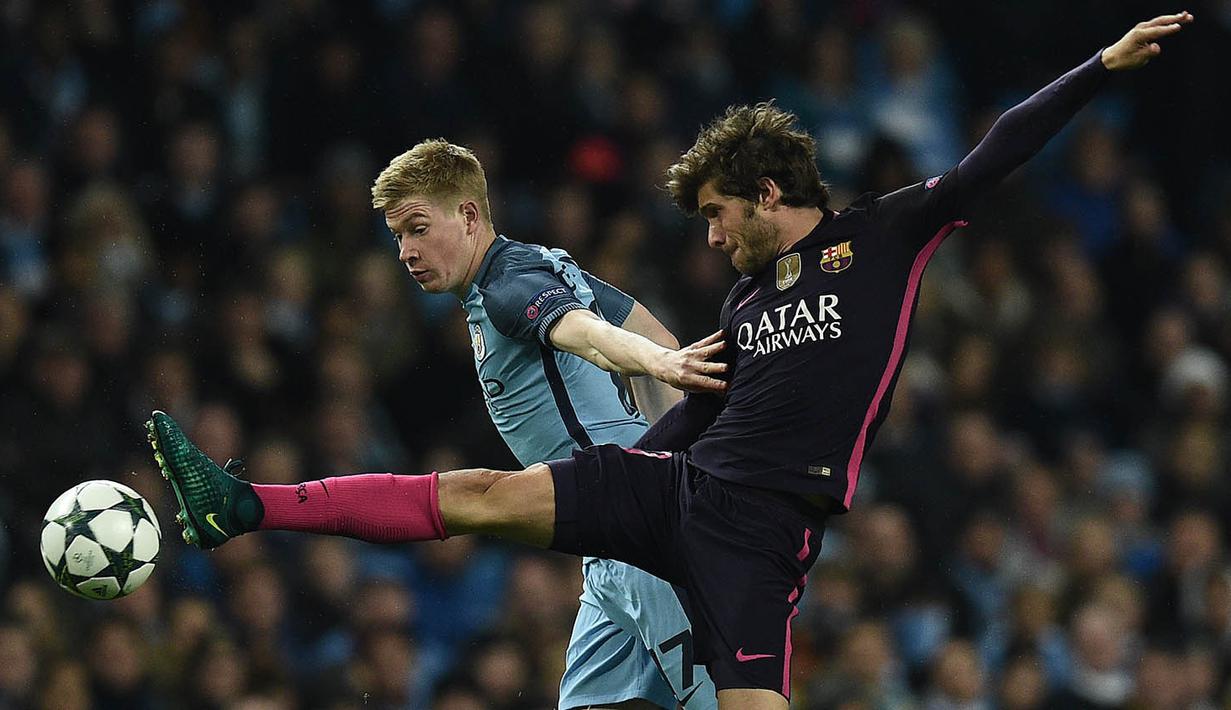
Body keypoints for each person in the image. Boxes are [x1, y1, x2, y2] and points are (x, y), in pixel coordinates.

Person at [147, 13, 1192, 709]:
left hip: (755, 537)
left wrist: (1095, 69)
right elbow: (684, 412)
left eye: (715, 214)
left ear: (767, 194)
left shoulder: (882, 237)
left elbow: (990, 153)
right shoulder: (743, 302)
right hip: (671, 491)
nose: (707, 238)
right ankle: (245, 506)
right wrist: (604, 477)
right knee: (474, 493)